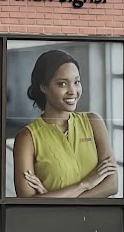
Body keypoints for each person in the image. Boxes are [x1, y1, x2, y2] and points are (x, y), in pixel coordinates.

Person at [13, 48, 117, 198]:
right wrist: (85, 184)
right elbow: (27, 202)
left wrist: (53, 198)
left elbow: (112, 185)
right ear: (44, 87)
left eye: (76, 82)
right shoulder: (27, 138)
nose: (72, 91)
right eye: (62, 84)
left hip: (99, 215)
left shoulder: (93, 122)